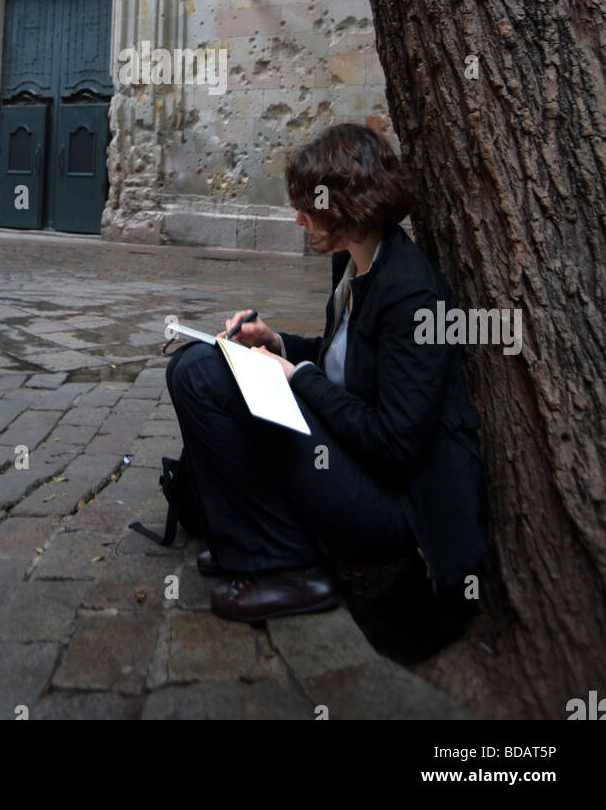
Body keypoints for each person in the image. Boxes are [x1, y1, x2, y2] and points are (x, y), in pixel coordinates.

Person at [166, 123, 488, 623]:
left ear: (347, 207)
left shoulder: (412, 295)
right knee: (191, 363)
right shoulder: (353, 265)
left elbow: (395, 444)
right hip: (352, 465)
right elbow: (344, 363)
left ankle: (292, 568)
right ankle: (252, 543)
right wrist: (277, 344)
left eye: (307, 207)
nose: (298, 220)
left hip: (393, 507)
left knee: (203, 376)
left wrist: (295, 376)